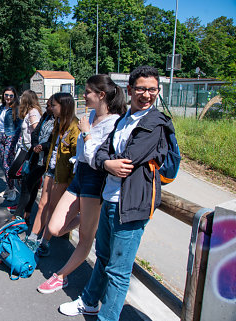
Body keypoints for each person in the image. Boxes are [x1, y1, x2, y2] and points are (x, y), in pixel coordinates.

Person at [58, 66, 174, 320]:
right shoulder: (124, 120)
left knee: (118, 272)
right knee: (103, 257)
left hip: (131, 205)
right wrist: (107, 163)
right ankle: (89, 301)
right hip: (109, 197)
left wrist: (107, 161)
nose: (146, 94)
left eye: (152, 89)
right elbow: (102, 153)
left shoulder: (154, 123)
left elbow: (128, 159)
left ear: (158, 91)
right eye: (141, 89)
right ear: (130, 90)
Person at [36, 74, 126, 294]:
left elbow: (95, 156)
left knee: (85, 239)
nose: (83, 95)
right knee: (55, 228)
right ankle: (88, 222)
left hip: (96, 179)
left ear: (101, 95)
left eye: (87, 91)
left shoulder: (114, 122)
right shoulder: (92, 114)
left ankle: (61, 277)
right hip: (80, 176)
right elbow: (82, 154)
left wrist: (86, 133)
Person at [33, 92, 79, 257]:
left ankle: (44, 243)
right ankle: (32, 238)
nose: (51, 108)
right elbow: (53, 148)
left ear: (64, 106)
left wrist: (70, 182)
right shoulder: (58, 122)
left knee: (53, 207)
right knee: (42, 205)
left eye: (54, 105)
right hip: (51, 169)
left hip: (62, 175)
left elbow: (76, 158)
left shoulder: (75, 128)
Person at [12, 96, 54, 224]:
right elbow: (36, 132)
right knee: (31, 184)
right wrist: (35, 144)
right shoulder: (46, 116)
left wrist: (43, 146)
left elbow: (54, 140)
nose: (46, 108)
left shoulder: (60, 121)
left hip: (45, 158)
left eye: (49, 106)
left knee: (28, 184)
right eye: (46, 106)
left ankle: (17, 216)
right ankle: (26, 214)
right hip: (34, 153)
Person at [7, 89, 42, 187]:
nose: (20, 99)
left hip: (29, 149)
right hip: (25, 147)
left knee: (14, 172)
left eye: (22, 97)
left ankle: (33, 182)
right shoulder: (30, 112)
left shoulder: (33, 113)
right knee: (20, 175)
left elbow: (37, 131)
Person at [0, 86, 21, 201]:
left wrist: (14, 137)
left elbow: (20, 125)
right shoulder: (1, 107)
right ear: (3, 95)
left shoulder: (16, 108)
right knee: (5, 164)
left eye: (11, 96)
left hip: (10, 137)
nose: (8, 98)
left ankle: (12, 189)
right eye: (6, 95)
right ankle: (9, 187)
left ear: (14, 97)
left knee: (6, 164)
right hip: (0, 136)